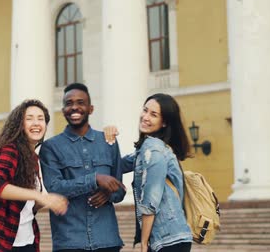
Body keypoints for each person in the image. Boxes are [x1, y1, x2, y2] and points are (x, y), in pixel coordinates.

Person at [39, 83, 126, 252]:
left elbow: (120, 189)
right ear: (63, 109)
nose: (74, 107)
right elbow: (54, 188)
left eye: (80, 102)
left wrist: (108, 193)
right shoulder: (51, 147)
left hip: (107, 241)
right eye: (69, 103)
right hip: (70, 242)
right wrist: (94, 179)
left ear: (90, 108)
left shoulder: (108, 142)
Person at [101, 93, 193, 252]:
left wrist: (144, 243)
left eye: (153, 114)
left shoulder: (154, 150)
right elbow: (118, 165)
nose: (145, 117)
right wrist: (110, 142)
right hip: (170, 239)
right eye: (145, 110)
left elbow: (151, 200)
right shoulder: (146, 149)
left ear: (164, 122)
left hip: (167, 240)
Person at [0, 99, 68, 252]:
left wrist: (48, 201)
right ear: (19, 124)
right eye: (29, 119)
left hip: (27, 241)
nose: (36, 123)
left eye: (41, 119)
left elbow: (26, 205)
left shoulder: (32, 158)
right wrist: (39, 196)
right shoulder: (11, 150)